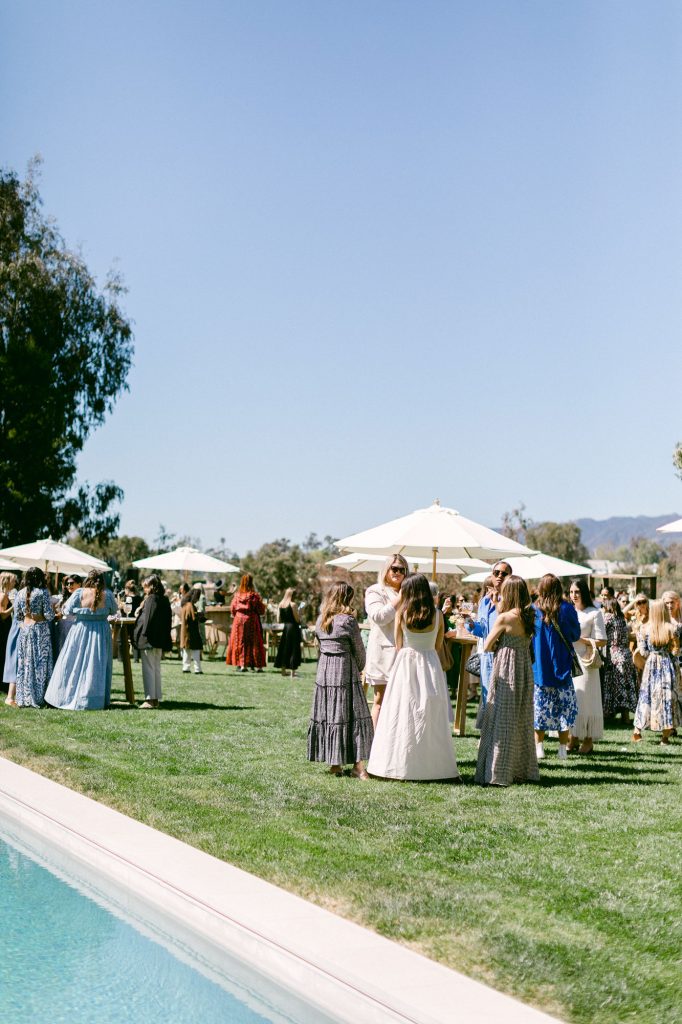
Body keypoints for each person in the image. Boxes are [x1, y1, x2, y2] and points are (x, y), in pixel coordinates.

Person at [367, 573, 460, 782]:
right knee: (429, 713)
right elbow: (438, 646)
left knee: (402, 712)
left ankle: (398, 764)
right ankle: (432, 766)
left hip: (406, 663)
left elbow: (399, 645)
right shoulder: (437, 615)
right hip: (430, 664)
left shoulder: (403, 613)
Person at [475, 575, 538, 786]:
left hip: (505, 667)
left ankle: (498, 772)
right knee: (521, 718)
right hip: (524, 668)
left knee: (501, 718)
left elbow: (486, 646)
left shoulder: (504, 618)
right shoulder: (529, 616)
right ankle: (522, 770)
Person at [307, 581, 373, 778]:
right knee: (353, 714)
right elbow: (360, 652)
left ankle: (335, 764)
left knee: (331, 715)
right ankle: (358, 767)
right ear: (347, 598)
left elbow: (319, 647)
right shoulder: (348, 621)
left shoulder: (320, 620)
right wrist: (359, 667)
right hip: (345, 670)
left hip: (325, 672)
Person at [44, 572, 118, 710]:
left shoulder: (79, 592)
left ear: (87, 580)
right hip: (100, 632)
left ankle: (66, 695)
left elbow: (67, 610)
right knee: (96, 665)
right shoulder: (107, 594)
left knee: (73, 663)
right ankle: (91, 698)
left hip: (80, 630)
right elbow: (114, 610)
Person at [532, 574, 581, 761]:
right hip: (562, 667)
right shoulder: (567, 609)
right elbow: (575, 635)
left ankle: (539, 748)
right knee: (564, 708)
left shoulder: (534, 610)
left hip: (540, 669)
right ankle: (562, 749)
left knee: (540, 709)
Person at [364, 555, 408, 728]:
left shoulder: (410, 591)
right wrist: (400, 598)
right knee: (380, 701)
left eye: (402, 569)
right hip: (384, 654)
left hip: (406, 653)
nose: (398, 572)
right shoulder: (375, 591)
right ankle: (375, 747)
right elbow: (379, 617)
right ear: (386, 570)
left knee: (402, 703)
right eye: (394, 568)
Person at [465, 561, 512, 710]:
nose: (499, 576)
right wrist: (468, 621)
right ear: (491, 576)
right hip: (486, 657)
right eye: (496, 573)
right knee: (488, 700)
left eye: (504, 573)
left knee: (503, 702)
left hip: (504, 656)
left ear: (510, 577)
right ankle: (487, 733)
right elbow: (482, 630)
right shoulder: (484, 601)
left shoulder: (511, 600)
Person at [632, 600, 681, 744]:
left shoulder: (644, 629)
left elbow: (643, 651)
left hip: (651, 666)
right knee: (667, 698)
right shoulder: (672, 629)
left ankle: (637, 732)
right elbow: (675, 651)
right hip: (666, 665)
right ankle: (665, 737)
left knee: (646, 696)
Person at [568, 577, 606, 755]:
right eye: (571, 592)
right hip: (568, 660)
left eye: (577, 591)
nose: (574, 595)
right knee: (573, 698)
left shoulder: (594, 613)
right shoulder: (567, 611)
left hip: (586, 661)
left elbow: (602, 641)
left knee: (586, 701)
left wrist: (581, 640)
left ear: (584, 592)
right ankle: (573, 736)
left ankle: (588, 739)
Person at [14, 566, 55, 708]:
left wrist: (25, 626)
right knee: (40, 664)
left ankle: (24, 697)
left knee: (25, 664)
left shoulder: (19, 593)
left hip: (25, 630)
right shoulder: (43, 592)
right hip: (40, 630)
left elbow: (17, 616)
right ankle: (39, 696)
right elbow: (50, 615)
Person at [133, 575, 172, 708]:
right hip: (159, 638)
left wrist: (142, 634)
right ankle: (155, 699)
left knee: (149, 669)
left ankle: (150, 699)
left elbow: (147, 619)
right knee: (155, 669)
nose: (144, 589)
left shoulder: (151, 599)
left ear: (151, 586)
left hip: (149, 638)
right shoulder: (164, 599)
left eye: (145, 586)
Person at [601, 597, 638, 724]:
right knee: (626, 686)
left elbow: (600, 634)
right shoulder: (622, 619)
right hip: (627, 654)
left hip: (614, 655)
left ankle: (608, 714)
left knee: (614, 686)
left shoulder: (608, 618)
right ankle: (626, 717)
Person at [226, 574, 266, 672]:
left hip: (239, 620)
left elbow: (232, 609)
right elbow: (261, 610)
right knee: (254, 642)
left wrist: (237, 614)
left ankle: (243, 665)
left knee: (240, 642)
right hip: (252, 619)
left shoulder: (237, 595)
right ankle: (258, 666)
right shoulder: (254, 596)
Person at [274, 587, 302, 677]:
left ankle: (283, 671)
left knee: (284, 648)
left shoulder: (280, 604)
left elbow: (278, 619)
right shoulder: (293, 604)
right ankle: (292, 673)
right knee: (293, 648)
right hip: (293, 627)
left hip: (285, 628)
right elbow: (297, 619)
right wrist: (299, 612)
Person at [179, 587, 204, 674]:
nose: (197, 599)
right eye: (197, 597)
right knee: (196, 651)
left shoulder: (184, 605)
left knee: (186, 651)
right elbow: (194, 618)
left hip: (185, 631)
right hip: (192, 632)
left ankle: (186, 668)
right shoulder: (190, 605)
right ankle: (197, 669)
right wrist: (201, 616)